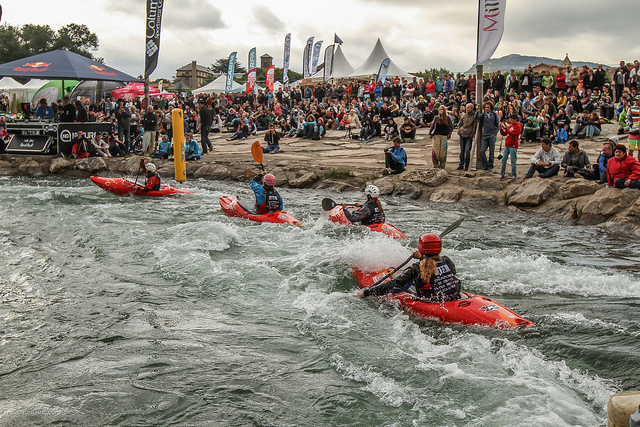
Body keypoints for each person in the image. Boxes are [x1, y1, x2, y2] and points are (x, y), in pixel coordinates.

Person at [355, 233, 461, 302]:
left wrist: (366, 292)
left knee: (404, 281)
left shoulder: (416, 267)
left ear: (421, 248)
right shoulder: (447, 260)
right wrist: (422, 258)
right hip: (453, 296)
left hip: (430, 300)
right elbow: (435, 268)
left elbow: (393, 284)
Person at [476, 101, 501, 171]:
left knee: (491, 152)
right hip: (485, 135)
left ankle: (490, 166)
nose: (487, 109)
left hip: (492, 135)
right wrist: (477, 110)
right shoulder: (483, 114)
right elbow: (477, 117)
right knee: (482, 151)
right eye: (486, 107)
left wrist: (494, 133)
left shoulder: (494, 115)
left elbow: (498, 125)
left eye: (488, 107)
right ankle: (485, 165)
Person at [499, 114, 523, 180]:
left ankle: (513, 174)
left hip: (513, 145)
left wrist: (506, 127)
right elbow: (504, 134)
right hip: (507, 144)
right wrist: (501, 129)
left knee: (513, 161)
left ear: (515, 120)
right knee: (504, 159)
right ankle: (502, 174)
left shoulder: (518, 126)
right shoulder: (511, 126)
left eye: (511, 120)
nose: (510, 121)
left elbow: (512, 133)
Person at [457, 103, 477, 171]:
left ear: (472, 108)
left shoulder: (474, 116)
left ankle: (467, 165)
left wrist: (472, 134)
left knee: (467, 151)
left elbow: (474, 126)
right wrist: (459, 131)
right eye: (467, 107)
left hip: (469, 135)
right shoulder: (463, 116)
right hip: (462, 134)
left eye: (469, 108)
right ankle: (461, 164)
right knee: (462, 151)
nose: (467, 109)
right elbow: (460, 124)